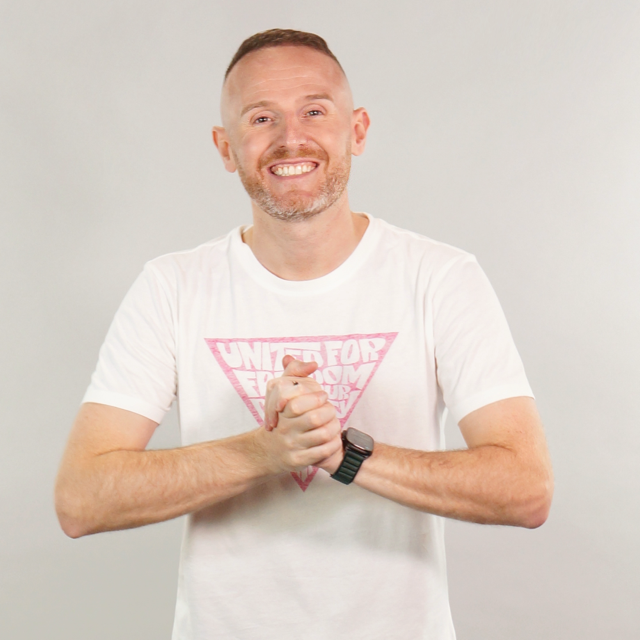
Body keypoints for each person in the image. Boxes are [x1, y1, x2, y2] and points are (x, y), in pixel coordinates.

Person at [55, 28, 553, 640]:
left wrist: (343, 454)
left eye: (315, 111)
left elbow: (526, 488)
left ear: (357, 130)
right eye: (261, 118)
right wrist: (262, 453)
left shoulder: (440, 277)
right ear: (226, 147)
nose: (290, 138)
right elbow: (81, 499)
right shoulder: (172, 288)